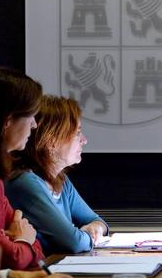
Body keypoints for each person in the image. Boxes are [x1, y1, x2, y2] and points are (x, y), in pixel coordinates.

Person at [6, 95, 108, 254]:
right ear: (51, 141)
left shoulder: (61, 180)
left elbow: (97, 221)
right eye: (77, 133)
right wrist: (89, 235)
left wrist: (95, 228)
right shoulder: (24, 182)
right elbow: (73, 242)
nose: (84, 140)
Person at [0, 66, 45, 269]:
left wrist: (22, 241)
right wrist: (22, 241)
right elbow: (11, 257)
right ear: (8, 120)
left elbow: (38, 252)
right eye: (31, 116)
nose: (34, 125)